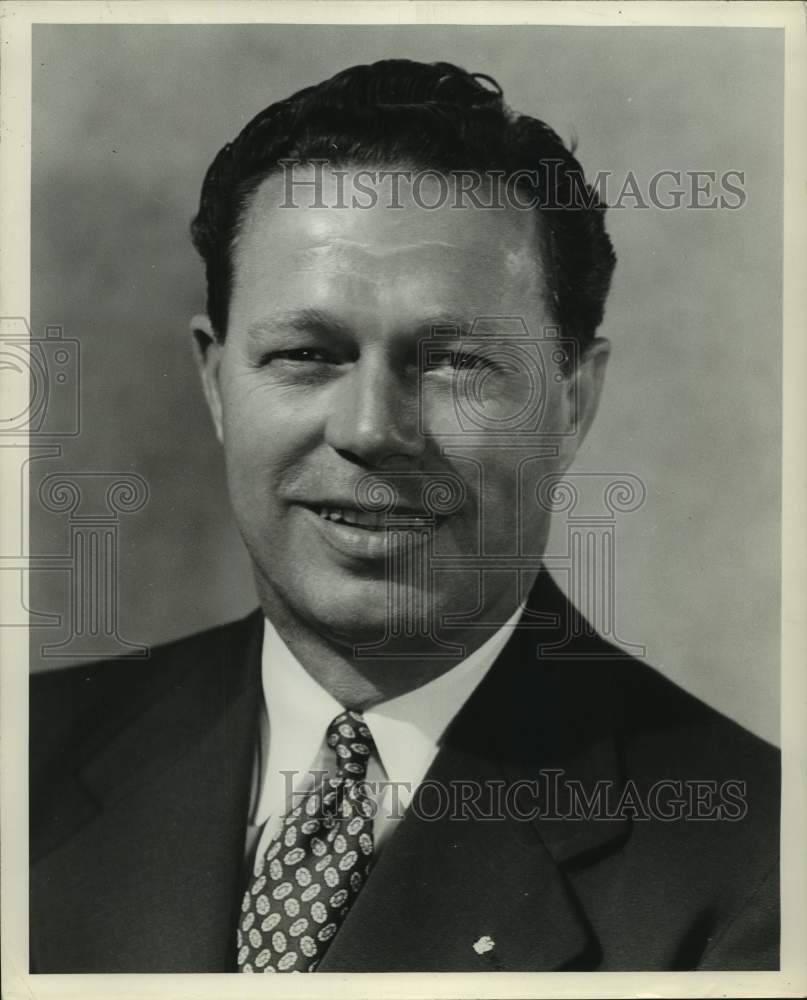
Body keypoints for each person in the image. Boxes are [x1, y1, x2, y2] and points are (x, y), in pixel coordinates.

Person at [29, 59, 778, 973]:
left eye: (454, 362)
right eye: (307, 352)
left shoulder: (762, 871)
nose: (372, 428)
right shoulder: (22, 761)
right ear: (216, 383)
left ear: (571, 404)